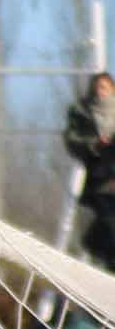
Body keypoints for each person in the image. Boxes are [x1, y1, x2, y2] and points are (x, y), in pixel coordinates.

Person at [66, 71, 115, 267]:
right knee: (109, 222)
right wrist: (94, 143)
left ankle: (93, 243)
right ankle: (96, 246)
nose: (100, 91)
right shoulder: (84, 113)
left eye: (104, 87)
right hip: (100, 179)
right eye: (97, 88)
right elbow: (73, 141)